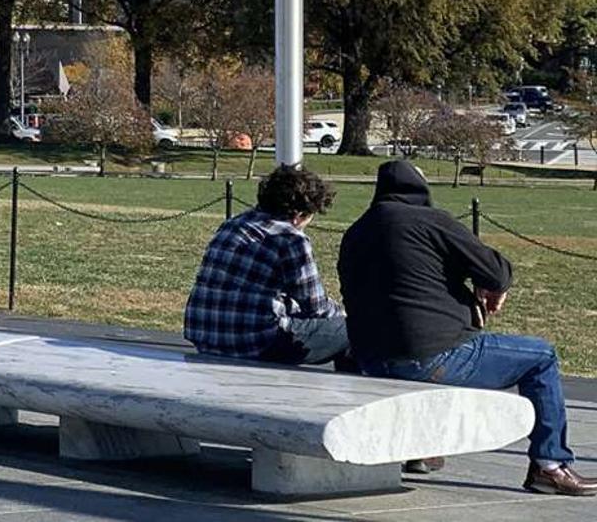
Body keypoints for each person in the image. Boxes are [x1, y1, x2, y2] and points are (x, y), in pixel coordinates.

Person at [340, 160, 589, 496]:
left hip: (370, 358)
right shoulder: (429, 221)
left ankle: (419, 449)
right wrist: (490, 288)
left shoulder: (356, 231)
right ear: (420, 189)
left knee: (418, 351)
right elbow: (497, 271)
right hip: (428, 356)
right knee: (541, 356)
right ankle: (550, 464)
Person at [183, 163, 350, 366]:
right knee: (355, 330)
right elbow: (316, 308)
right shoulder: (290, 238)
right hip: (256, 343)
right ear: (299, 215)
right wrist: (345, 314)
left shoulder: (232, 224)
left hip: (206, 336)